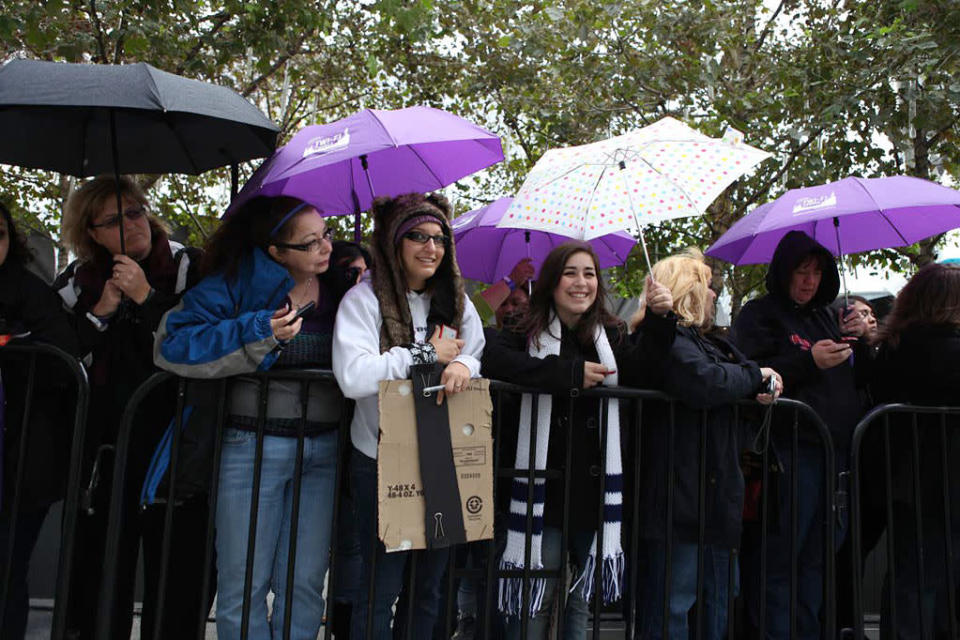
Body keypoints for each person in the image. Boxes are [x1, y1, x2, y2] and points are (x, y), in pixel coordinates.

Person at [153, 196, 343, 640]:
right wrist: (259, 328)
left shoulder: (341, 285)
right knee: (244, 585)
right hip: (251, 445)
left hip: (325, 448)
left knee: (305, 582)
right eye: (310, 242)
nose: (325, 248)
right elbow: (172, 341)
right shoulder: (236, 283)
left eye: (327, 234)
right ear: (275, 252)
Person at [480, 241, 676, 640]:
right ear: (552, 282)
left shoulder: (613, 334)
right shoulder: (523, 329)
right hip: (542, 492)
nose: (581, 282)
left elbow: (648, 369)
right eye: (571, 273)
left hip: (595, 493)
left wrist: (660, 318)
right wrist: (566, 374)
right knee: (534, 602)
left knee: (579, 605)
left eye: (589, 273)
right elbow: (496, 361)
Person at [55, 175, 205, 639]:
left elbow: (199, 340)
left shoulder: (188, 265)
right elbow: (59, 358)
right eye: (114, 220)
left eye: (136, 211)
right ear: (91, 233)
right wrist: (100, 312)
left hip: (174, 443)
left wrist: (146, 297)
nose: (132, 224)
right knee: (100, 569)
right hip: (105, 446)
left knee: (174, 571)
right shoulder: (76, 281)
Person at [332, 192, 485, 639]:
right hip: (382, 460)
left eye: (439, 238)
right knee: (380, 588)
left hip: (442, 458)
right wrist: (422, 354)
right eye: (417, 236)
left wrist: (462, 365)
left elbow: (475, 349)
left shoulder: (456, 300)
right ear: (394, 243)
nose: (430, 247)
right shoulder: (363, 301)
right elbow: (354, 377)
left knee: (428, 590)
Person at [629, 249, 781, 639]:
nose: (714, 295)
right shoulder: (666, 340)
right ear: (691, 291)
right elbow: (706, 383)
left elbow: (729, 374)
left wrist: (760, 383)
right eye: (709, 287)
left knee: (716, 602)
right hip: (678, 498)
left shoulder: (704, 340)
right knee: (673, 606)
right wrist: (755, 375)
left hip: (711, 497)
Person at [730, 230, 870, 639]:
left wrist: (864, 342)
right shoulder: (759, 315)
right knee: (780, 556)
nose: (810, 280)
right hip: (787, 452)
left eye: (817, 272)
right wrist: (809, 361)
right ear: (784, 272)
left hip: (836, 454)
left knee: (819, 557)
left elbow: (859, 378)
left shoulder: (829, 316)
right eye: (802, 271)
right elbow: (751, 373)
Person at [0, 201, 79, 640]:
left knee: (8, 568)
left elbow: (62, 363)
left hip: (20, 458)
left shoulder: (31, 293)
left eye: (0, 233)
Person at [870, 263, 960, 639]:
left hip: (909, 476)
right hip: (939, 477)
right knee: (930, 579)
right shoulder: (940, 347)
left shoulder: (895, 344)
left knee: (917, 574)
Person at [472, 257, 536, 327]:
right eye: (502, 304)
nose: (508, 309)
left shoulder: (542, 336)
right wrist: (511, 281)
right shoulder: (486, 336)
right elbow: (470, 315)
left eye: (516, 303)